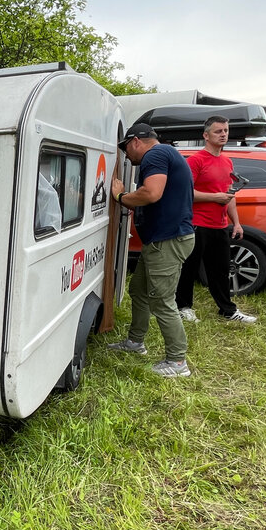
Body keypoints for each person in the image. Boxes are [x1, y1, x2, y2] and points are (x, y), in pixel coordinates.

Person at [109, 123, 196, 378]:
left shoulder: (155, 155)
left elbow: (152, 193)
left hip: (168, 241)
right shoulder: (169, 154)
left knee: (162, 300)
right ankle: (135, 342)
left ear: (136, 141)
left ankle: (177, 362)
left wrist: (121, 197)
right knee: (139, 290)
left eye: (126, 149)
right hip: (161, 240)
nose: (127, 156)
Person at [174, 115, 257, 324]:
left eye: (226, 131)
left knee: (220, 270)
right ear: (206, 135)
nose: (223, 134)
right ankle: (183, 307)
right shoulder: (195, 160)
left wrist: (236, 222)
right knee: (189, 269)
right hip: (197, 224)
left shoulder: (227, 161)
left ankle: (228, 310)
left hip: (220, 225)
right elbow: (185, 192)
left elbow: (229, 194)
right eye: (218, 131)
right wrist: (214, 197)